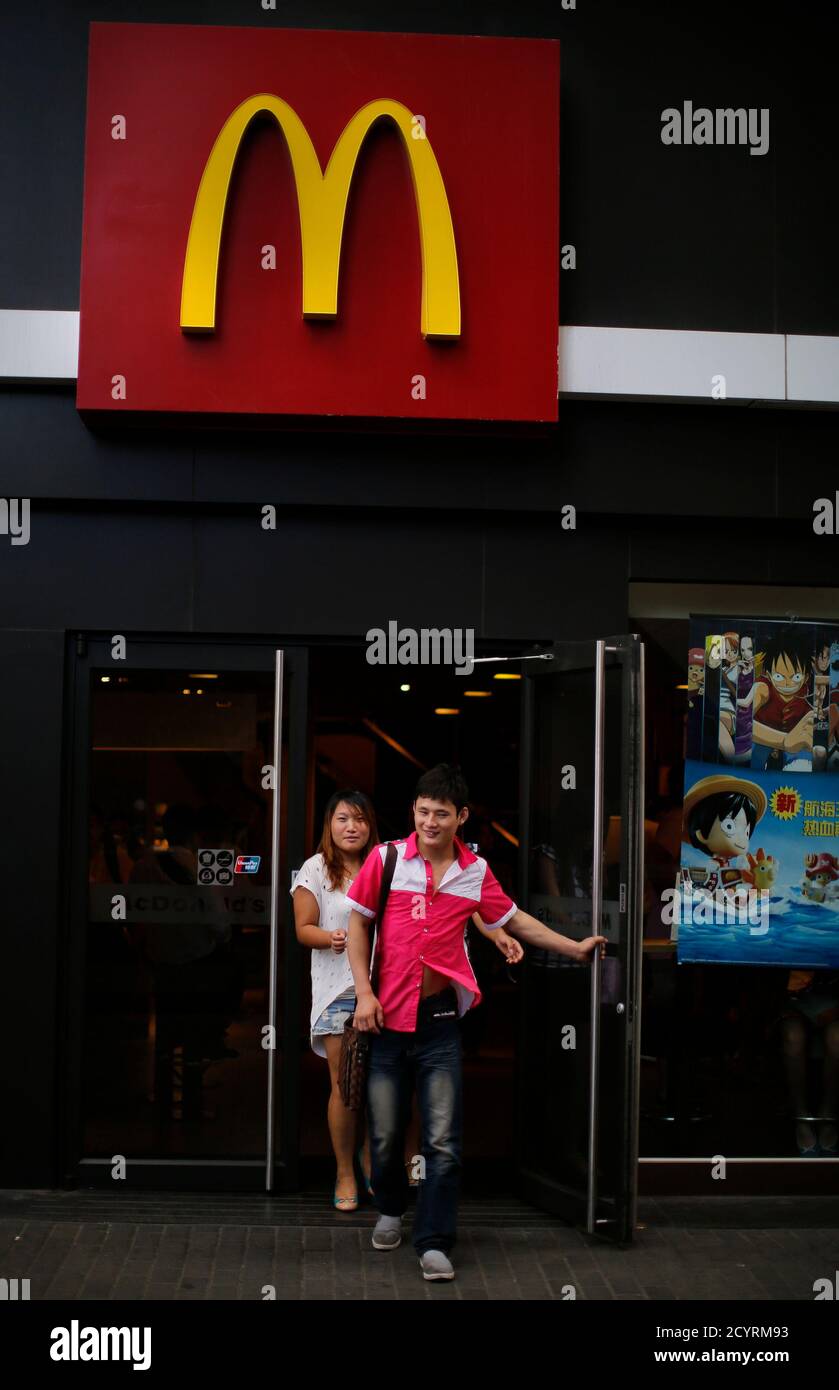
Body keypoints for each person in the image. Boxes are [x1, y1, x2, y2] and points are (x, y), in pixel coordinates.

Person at [346, 763, 606, 1282]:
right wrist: (365, 994)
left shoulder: (474, 873)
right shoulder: (388, 858)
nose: (430, 822)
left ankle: (435, 1241)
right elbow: (357, 923)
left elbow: (514, 919)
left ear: (461, 817)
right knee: (384, 1134)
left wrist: (573, 946)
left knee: (442, 1141)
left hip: (439, 1023)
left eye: (441, 814)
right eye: (423, 812)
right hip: (385, 1024)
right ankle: (392, 1208)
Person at [293, 788, 521, 1212]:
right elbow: (302, 928)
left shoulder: (390, 859)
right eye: (342, 819)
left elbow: (459, 903)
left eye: (359, 819)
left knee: (397, 1089)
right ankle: (345, 1170)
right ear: (329, 825)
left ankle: (377, 1162)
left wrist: (497, 932)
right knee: (347, 1089)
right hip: (341, 992)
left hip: (396, 991)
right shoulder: (315, 869)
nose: (351, 827)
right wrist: (331, 937)